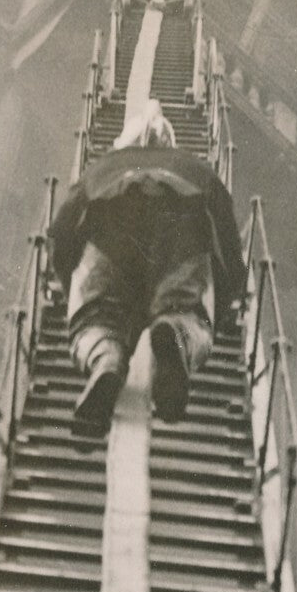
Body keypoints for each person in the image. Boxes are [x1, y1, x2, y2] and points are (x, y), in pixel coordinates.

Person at [49, 99, 247, 437]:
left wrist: (70, 286)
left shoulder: (103, 167)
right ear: (169, 142)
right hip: (182, 231)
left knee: (98, 320)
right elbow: (228, 240)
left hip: (110, 231)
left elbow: (62, 230)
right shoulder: (197, 169)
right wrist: (229, 300)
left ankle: (106, 358)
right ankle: (176, 334)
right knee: (185, 312)